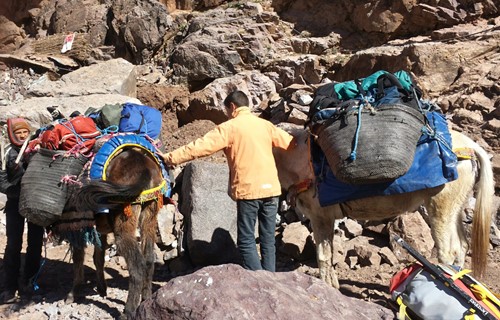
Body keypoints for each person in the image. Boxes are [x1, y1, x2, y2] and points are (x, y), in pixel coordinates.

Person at [158, 90, 295, 272]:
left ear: (232, 107)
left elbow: (200, 147)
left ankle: (260, 281)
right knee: (268, 239)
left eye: (227, 111)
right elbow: (291, 144)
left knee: (246, 240)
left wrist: (170, 158)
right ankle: (271, 278)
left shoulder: (230, 128)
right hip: (272, 189)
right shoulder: (265, 125)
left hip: (249, 190)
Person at [0, 118, 44, 303]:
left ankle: (30, 281)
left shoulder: (36, 150)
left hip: (34, 203)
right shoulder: (7, 153)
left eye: (25, 132)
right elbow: (1, 181)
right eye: (18, 133)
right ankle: (10, 287)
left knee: (35, 243)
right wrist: (16, 188)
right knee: (13, 244)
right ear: (12, 134)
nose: (22, 135)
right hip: (14, 204)